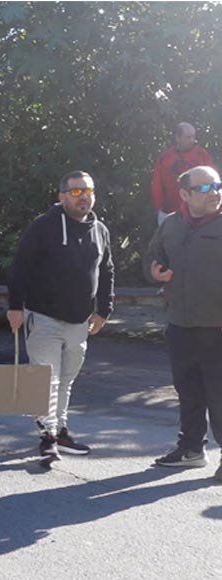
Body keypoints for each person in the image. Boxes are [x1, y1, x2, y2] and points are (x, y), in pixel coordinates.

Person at [8, 170, 114, 465]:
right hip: (44, 317)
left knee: (66, 379)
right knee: (45, 380)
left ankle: (60, 430)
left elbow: (106, 271)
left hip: (80, 320)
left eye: (89, 190)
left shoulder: (100, 229)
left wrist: (104, 310)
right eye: (77, 191)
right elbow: (20, 267)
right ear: (62, 196)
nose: (84, 197)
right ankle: (47, 438)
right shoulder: (43, 227)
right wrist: (15, 306)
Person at [145, 165, 222, 475]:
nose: (214, 192)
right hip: (181, 324)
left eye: (217, 185)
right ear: (185, 194)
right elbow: (151, 257)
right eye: (204, 188)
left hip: (218, 326)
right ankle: (191, 448)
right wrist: (153, 270)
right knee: (188, 390)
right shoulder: (172, 225)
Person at [151, 122, 214, 226]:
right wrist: (159, 207)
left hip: (197, 213)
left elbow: (212, 181)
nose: (191, 140)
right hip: (170, 212)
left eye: (193, 136)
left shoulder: (202, 155)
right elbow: (157, 185)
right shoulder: (165, 158)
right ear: (177, 138)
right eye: (188, 137)